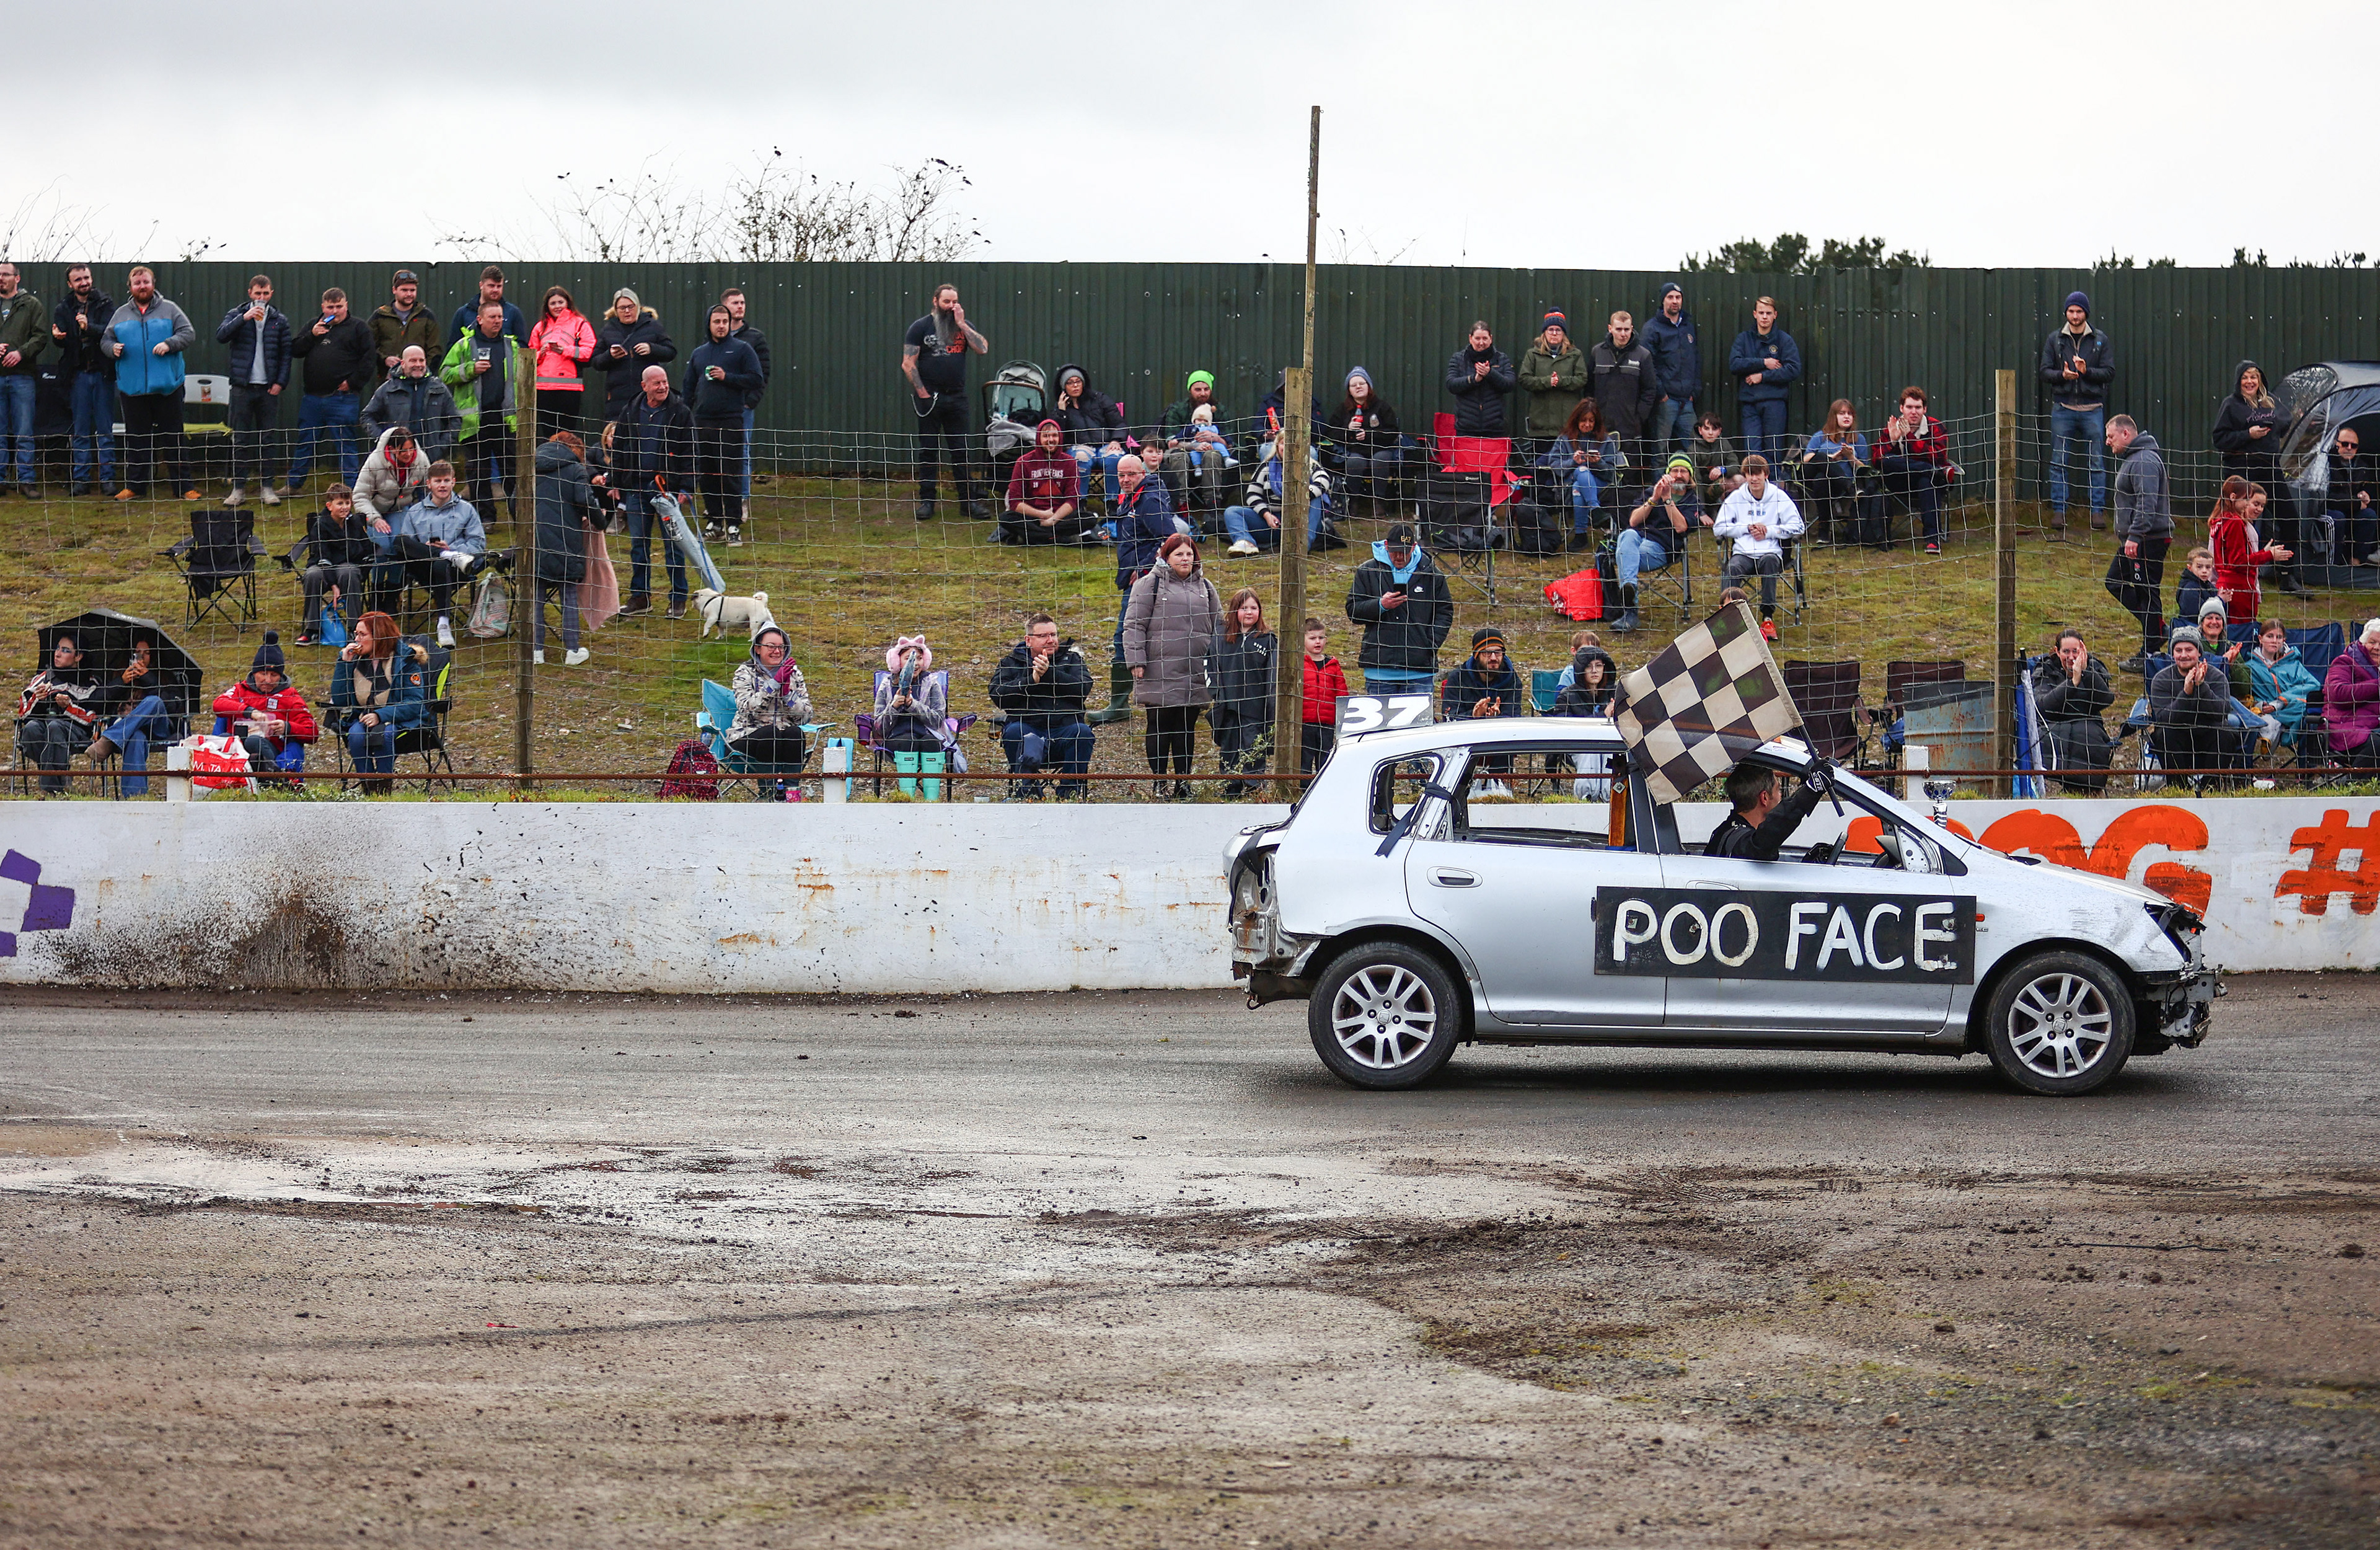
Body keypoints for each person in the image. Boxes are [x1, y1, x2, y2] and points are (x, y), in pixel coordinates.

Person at [1123, 534, 1223, 799]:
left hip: (1194, 669)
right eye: (1179, 554)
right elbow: (1134, 624)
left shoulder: (1206, 587)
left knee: (1186, 726)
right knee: (1159, 724)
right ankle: (1159, 782)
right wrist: (1136, 661)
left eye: (1189, 554)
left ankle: (1183, 782)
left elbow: (1219, 626)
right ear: (1166, 557)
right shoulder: (1148, 585)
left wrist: (1218, 663)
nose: (1185, 558)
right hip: (1157, 668)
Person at [381, 461, 504, 650]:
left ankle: (443, 624)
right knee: (399, 541)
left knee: (442, 565)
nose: (443, 485)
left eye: (447, 480)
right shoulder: (415, 512)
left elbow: (478, 544)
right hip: (423, 569)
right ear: (428, 484)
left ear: (454, 482)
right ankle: (446, 555)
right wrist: (436, 551)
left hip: (458, 569)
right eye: (438, 481)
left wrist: (453, 548)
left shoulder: (467, 509)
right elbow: (407, 547)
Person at [102, 265, 197, 501]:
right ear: (131, 287)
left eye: (146, 282)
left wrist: (169, 344)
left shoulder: (171, 309)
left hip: (168, 387)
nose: (142, 286)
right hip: (132, 389)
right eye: (137, 283)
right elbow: (106, 340)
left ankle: (184, 488)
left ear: (153, 284)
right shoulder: (121, 315)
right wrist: (112, 349)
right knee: (137, 441)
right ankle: (135, 488)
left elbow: (188, 333)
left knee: (174, 439)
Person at [612, 364, 697, 619]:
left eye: (665, 382)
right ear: (645, 386)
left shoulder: (680, 412)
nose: (663, 387)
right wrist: (617, 482)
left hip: (668, 491)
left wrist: (687, 486)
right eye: (657, 383)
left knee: (674, 546)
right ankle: (640, 597)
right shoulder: (630, 411)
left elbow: (690, 451)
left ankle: (678, 598)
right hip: (637, 489)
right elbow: (620, 448)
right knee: (639, 546)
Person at [902, 281, 988, 521]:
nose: (951, 306)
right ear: (936, 302)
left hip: (957, 398)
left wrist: (962, 323)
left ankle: (968, 503)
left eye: (954, 302)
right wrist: (923, 393)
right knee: (929, 452)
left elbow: (982, 349)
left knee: (961, 452)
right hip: (929, 398)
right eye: (946, 302)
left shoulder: (964, 326)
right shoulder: (920, 327)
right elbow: (908, 363)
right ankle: (927, 502)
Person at [682, 304, 764, 545]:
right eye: (716, 321)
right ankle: (715, 522)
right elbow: (688, 388)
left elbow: (756, 379)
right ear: (709, 324)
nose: (721, 326)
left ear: (730, 324)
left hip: (730, 420)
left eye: (725, 322)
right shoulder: (699, 353)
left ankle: (733, 525)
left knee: (730, 473)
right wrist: (685, 416)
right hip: (703, 421)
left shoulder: (742, 350)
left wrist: (727, 377)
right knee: (707, 473)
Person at [990, 614, 1096, 799]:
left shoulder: (1072, 660)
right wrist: (1030, 681)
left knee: (1083, 732)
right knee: (1015, 732)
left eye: (1053, 635)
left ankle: (1067, 796)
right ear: (1028, 640)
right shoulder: (1011, 663)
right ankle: (1030, 795)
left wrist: (1049, 674)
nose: (1051, 640)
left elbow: (1083, 689)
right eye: (1043, 636)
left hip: (1064, 733)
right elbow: (998, 695)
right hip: (1028, 733)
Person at [211, 273, 291, 509]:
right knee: (240, 440)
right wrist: (244, 319)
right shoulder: (237, 314)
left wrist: (280, 382)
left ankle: (267, 488)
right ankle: (238, 489)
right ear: (250, 294)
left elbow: (286, 355)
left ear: (271, 294)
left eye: (266, 294)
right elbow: (221, 336)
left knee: (268, 439)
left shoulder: (279, 320)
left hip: (268, 389)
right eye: (258, 294)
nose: (262, 298)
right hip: (242, 387)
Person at [286, 288, 376, 493]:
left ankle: (353, 489)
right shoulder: (314, 325)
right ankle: (294, 485)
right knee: (305, 443)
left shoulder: (359, 328)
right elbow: (295, 350)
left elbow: (369, 359)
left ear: (346, 305)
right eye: (330, 307)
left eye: (339, 306)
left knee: (346, 444)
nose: (335, 311)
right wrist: (311, 335)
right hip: (312, 398)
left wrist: (353, 383)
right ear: (323, 307)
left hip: (342, 397)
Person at [1345, 522, 1452, 692]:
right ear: (1386, 546)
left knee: (1419, 721)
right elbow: (1353, 612)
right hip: (1379, 670)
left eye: (1404, 552)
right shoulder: (1367, 571)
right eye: (1394, 552)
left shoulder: (1433, 575)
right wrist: (1380, 605)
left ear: (1414, 547)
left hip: (1419, 671)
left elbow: (1445, 613)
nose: (1399, 557)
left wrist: (1429, 645)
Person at [328, 610, 428, 791]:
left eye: (363, 635)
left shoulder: (406, 661)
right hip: (362, 717)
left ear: (379, 636)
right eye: (356, 634)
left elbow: (414, 702)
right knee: (356, 735)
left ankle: (384, 788)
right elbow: (340, 700)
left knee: (385, 734)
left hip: (399, 721)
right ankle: (369, 787)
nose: (357, 639)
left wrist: (380, 715)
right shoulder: (354, 660)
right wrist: (343, 664)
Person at [2039, 291, 2113, 533]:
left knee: (2096, 463)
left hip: (2093, 409)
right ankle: (2059, 512)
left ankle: (2097, 512)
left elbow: (2109, 372)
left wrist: (2086, 372)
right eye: (2071, 311)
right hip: (2064, 408)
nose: (2074, 316)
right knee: (2058, 462)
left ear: (2086, 313)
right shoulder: (2055, 339)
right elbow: (2044, 372)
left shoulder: (2100, 340)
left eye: (2079, 311)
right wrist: (2063, 375)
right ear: (2066, 313)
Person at [440, 299, 521, 518]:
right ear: (480, 319)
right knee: (478, 474)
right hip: (475, 422)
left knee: (513, 473)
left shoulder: (511, 346)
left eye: (500, 317)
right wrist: (469, 369)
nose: (498, 321)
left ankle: (520, 518)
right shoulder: (465, 345)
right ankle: (485, 518)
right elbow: (445, 374)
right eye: (492, 317)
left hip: (505, 420)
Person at [2104, 415, 2173, 671]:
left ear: (2125, 434)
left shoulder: (2144, 460)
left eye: (2111, 436)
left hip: (2147, 539)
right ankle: (2156, 628)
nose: (2107, 442)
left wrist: (2135, 536)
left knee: (2147, 591)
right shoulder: (2135, 458)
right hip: (2138, 538)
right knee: (2115, 581)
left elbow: (2147, 502)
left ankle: (2151, 653)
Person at [1713, 454, 1804, 640]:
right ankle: (1727, 619)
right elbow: (1718, 528)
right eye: (1749, 474)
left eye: (1758, 474)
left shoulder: (1779, 496)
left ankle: (1767, 618)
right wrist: (1745, 528)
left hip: (1770, 551)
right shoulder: (1736, 497)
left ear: (1766, 475)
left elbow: (1798, 527)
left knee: (1770, 562)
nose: (1754, 479)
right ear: (1745, 476)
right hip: (1743, 553)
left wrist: (1769, 531)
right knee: (1732, 567)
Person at [1610, 456, 1703, 633]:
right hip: (1635, 541)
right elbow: (1633, 521)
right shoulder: (1651, 492)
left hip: (1661, 549)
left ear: (1690, 477)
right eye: (1674, 471)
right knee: (1627, 535)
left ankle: (1629, 610)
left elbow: (1681, 527)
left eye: (1683, 471)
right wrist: (1654, 498)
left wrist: (1668, 499)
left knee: (1624, 552)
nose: (1678, 475)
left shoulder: (1693, 501)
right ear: (1667, 474)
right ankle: (1629, 592)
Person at [211, 632, 318, 785]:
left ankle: (274, 780)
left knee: (254, 741)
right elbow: (218, 704)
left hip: (273, 751)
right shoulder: (240, 689)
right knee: (224, 738)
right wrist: (250, 712)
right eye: (263, 673)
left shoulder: (290, 696)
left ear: (281, 676)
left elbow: (313, 732)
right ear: (254, 673)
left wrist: (287, 727)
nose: (268, 680)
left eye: (274, 675)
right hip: (236, 748)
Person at [530, 431, 598, 666]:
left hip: (534, 540)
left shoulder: (530, 465)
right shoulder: (575, 469)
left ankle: (536, 651)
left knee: (536, 596)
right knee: (568, 594)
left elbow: (513, 500)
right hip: (566, 540)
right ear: (575, 450)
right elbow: (586, 500)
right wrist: (600, 522)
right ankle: (572, 650)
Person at [51, 265, 117, 495]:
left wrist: (89, 327)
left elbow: (111, 331)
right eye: (78, 279)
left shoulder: (105, 304)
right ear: (70, 284)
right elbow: (62, 342)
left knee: (105, 430)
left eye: (86, 277)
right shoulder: (64, 307)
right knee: (80, 431)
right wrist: (57, 337)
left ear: (92, 279)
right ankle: (81, 480)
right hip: (77, 375)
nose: (83, 282)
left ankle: (108, 479)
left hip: (103, 373)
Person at [1112, 452, 1184, 658]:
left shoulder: (1149, 500)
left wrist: (1142, 569)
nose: (1125, 480)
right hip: (1134, 577)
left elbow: (1170, 539)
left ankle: (1123, 688)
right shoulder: (1130, 497)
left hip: (1145, 581)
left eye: (1131, 475)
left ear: (1143, 474)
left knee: (1124, 638)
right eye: (1121, 476)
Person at [728, 626, 813, 801]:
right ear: (758, 649)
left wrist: (786, 694)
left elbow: (806, 716)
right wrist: (773, 685)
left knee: (795, 733)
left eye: (781, 647)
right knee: (770, 733)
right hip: (747, 736)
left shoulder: (794, 673)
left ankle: (791, 793)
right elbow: (747, 710)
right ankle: (768, 794)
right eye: (771, 646)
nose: (777, 651)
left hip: (785, 737)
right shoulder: (745, 672)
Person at [2151, 625, 2247, 780]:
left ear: (2199, 653)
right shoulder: (2161, 679)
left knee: (2226, 734)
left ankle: (2210, 786)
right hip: (2177, 738)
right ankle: (2178, 788)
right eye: (2178, 651)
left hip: (2209, 735)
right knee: (2164, 733)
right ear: (2173, 654)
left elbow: (2222, 711)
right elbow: (2163, 718)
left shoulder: (2217, 676)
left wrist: (2201, 687)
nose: (2184, 655)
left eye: (2189, 650)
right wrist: (2187, 693)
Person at [81, 638, 172, 798]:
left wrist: (148, 678)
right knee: (136, 737)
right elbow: (96, 702)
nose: (141, 658)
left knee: (154, 701)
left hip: (156, 727)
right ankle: (135, 798)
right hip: (129, 733)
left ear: (154, 656)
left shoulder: (165, 675)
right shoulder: (119, 674)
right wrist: (121, 682)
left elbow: (173, 706)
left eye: (147, 653)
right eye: (137, 653)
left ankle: (108, 739)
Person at [15, 633, 104, 795]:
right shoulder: (43, 678)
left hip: (77, 732)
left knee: (55, 727)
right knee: (31, 729)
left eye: (65, 650)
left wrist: (68, 706)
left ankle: (50, 790)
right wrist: (38, 699)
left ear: (78, 656)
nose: (57, 654)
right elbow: (22, 713)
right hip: (45, 727)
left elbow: (92, 718)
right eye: (57, 648)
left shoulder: (91, 683)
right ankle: (60, 779)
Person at [1209, 589, 1277, 798]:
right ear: (1234, 610)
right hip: (1227, 707)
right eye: (1244, 608)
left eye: (1254, 608)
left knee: (1253, 749)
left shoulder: (1268, 640)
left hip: (1255, 710)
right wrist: (1217, 694)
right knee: (1229, 748)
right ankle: (1230, 788)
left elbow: (1273, 678)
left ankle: (1254, 788)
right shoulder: (1221, 636)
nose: (1249, 612)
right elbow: (1210, 665)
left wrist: (1270, 706)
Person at [2030, 630, 2114, 790]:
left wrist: (2086, 673)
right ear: (2057, 651)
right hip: (2052, 725)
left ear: (2083, 650)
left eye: (2075, 651)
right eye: (2065, 652)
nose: (2071, 657)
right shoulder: (2045, 669)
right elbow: (2041, 706)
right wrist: (2072, 683)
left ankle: (2087, 789)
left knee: (2088, 736)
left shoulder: (2094, 667)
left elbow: (2106, 699)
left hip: (2089, 726)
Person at [293, 483, 373, 648]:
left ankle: (354, 629)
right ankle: (312, 630)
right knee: (312, 575)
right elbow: (323, 556)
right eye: (340, 503)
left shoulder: (355, 523)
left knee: (348, 571)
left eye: (348, 503)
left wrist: (366, 564)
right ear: (329, 506)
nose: (345, 507)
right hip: (323, 567)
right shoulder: (320, 525)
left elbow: (367, 548)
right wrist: (333, 585)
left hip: (347, 566)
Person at [1705, 758, 1830, 861]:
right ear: (1764, 798)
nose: (1781, 796)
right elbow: (1768, 836)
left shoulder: (1726, 830)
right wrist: (1811, 791)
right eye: (1778, 790)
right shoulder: (1740, 842)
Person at [1874, 385, 1950, 554]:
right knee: (1888, 462)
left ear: (1925, 409)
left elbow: (1938, 457)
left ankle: (1933, 540)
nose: (1913, 412)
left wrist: (1909, 437)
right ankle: (1926, 470)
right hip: (1900, 481)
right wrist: (1892, 442)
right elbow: (1876, 460)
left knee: (1927, 481)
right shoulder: (1893, 426)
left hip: (1926, 483)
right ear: (1902, 408)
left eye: (1918, 407)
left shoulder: (1936, 427)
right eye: (1909, 407)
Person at [1727, 296, 1800, 468]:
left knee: (1774, 452)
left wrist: (1763, 376)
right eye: (1761, 313)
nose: (1765, 317)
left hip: (1775, 404)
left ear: (1775, 315)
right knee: (1753, 453)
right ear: (1755, 314)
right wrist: (1763, 363)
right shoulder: (1744, 339)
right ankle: (1754, 492)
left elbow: (1793, 369)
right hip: (1750, 405)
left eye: (1768, 313)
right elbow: (1735, 364)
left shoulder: (1784, 340)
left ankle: (1772, 492)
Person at [1590, 310, 1660, 488]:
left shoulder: (1643, 355)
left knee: (1628, 477)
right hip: (1601, 426)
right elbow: (1589, 388)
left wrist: (1638, 418)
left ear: (1632, 329)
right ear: (1610, 329)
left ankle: (1627, 515)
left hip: (1630, 428)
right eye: (1619, 329)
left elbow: (1650, 390)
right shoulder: (1597, 352)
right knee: (1600, 471)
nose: (1623, 334)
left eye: (1627, 330)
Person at [1542, 397, 1622, 552]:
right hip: (1569, 485)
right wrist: (1573, 461)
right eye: (1584, 420)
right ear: (1576, 420)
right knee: (1580, 476)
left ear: (1596, 422)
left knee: (1581, 479)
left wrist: (1598, 462)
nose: (1587, 425)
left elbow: (1611, 473)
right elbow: (1554, 466)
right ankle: (1595, 510)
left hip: (1600, 485)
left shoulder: (1605, 440)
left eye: (1591, 421)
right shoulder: (1564, 439)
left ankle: (1581, 536)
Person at [2210, 475, 2292, 625]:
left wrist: (2262, 554)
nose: (2248, 504)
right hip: (2239, 588)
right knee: (2242, 631)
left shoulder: (2220, 520)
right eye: (2246, 499)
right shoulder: (2235, 522)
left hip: (2226, 584)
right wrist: (2268, 555)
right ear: (2234, 497)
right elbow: (2238, 561)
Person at [360, 345, 461, 462]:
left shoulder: (439, 388)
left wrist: (440, 446)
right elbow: (367, 417)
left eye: (421, 360)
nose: (418, 365)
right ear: (403, 363)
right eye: (413, 361)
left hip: (431, 458)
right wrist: (385, 441)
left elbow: (455, 420)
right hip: (397, 460)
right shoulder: (388, 389)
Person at [595, 289, 676, 428]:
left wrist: (652, 349)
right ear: (616, 310)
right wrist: (610, 356)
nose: (627, 311)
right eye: (622, 308)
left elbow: (671, 352)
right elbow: (595, 361)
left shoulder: (653, 326)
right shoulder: (608, 330)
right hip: (617, 398)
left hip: (647, 395)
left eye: (631, 307)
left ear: (638, 307)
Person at [1002, 419, 1091, 546]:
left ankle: (1033, 537)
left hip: (1060, 516)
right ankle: (1057, 538)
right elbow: (1014, 502)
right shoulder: (1024, 462)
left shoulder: (1070, 462)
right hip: (1033, 517)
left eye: (1054, 435)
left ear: (1060, 438)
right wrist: (1042, 515)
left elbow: (1073, 500)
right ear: (1039, 439)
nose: (1051, 440)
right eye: (1046, 436)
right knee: (1007, 519)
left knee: (1089, 518)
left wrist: (1052, 520)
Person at [1326, 368, 1401, 514]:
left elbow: (1393, 432)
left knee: (1380, 461)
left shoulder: (1382, 407)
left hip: (1380, 448)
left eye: (1362, 383)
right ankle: (1353, 501)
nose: (1358, 387)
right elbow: (1330, 433)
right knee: (1355, 462)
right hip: (1355, 450)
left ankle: (1379, 501)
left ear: (1369, 386)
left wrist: (1369, 435)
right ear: (1349, 390)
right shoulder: (1343, 410)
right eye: (1354, 385)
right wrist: (1347, 430)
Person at [1050, 363, 1127, 506]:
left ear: (1083, 383)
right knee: (1081, 460)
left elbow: (1119, 424)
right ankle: (1080, 502)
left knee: (1115, 459)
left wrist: (1117, 440)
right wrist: (1061, 413)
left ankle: (1113, 502)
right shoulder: (1060, 407)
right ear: (1063, 387)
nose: (1075, 386)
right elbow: (1057, 435)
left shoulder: (1100, 399)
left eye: (1078, 382)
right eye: (1070, 383)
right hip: (1079, 447)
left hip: (1106, 445)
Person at [0, 263, 47, 498]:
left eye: (6, 274)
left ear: (17, 278)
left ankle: (26, 481)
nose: (1, 278)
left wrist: (21, 353)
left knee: (24, 432)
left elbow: (41, 337)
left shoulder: (31, 305)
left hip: (22, 377)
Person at [1796, 399, 1871, 547]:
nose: (1847, 417)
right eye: (1842, 413)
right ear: (1834, 416)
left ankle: (1824, 530)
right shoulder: (1821, 436)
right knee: (1820, 457)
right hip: (1810, 476)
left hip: (1834, 483)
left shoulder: (1858, 439)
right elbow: (1806, 459)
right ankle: (1851, 489)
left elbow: (1864, 468)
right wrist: (1832, 458)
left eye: (1850, 414)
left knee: (1822, 480)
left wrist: (1851, 457)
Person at [1160, 371, 1235, 519]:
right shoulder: (1178, 409)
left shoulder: (1219, 410)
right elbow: (1171, 441)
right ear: (1190, 391)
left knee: (1212, 455)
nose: (1203, 393)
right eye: (1198, 390)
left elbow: (1231, 442)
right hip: (1182, 450)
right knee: (1178, 457)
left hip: (1212, 449)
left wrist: (1216, 438)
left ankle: (1213, 503)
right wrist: (1193, 446)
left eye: (1206, 389)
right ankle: (1180, 504)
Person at [528, 285, 596, 439]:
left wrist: (565, 350)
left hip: (570, 388)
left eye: (561, 302)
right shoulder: (540, 327)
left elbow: (589, 352)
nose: (557, 306)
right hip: (544, 389)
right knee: (548, 435)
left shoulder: (580, 324)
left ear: (568, 303)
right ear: (547, 306)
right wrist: (541, 353)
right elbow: (530, 355)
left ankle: (567, 462)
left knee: (567, 436)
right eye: (553, 303)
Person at [722, 286, 770, 502]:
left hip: (743, 407)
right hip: (718, 407)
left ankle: (741, 499)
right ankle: (720, 499)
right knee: (719, 453)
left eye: (742, 303)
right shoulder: (715, 337)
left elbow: (763, 373)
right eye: (735, 303)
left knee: (742, 453)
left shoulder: (755, 338)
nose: (740, 306)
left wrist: (751, 402)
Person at [1516, 311, 1587, 456]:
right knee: (1542, 467)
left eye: (1558, 330)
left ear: (1564, 334)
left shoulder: (1575, 355)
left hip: (1567, 423)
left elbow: (1582, 379)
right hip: (1541, 425)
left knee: (1566, 466)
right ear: (1545, 333)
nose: (1554, 334)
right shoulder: (1533, 354)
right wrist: (1547, 382)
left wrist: (1561, 381)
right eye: (1551, 330)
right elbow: (1524, 379)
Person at [1642, 282, 1701, 452]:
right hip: (1666, 401)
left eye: (1678, 297)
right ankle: (1659, 479)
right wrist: (1661, 393)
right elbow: (1648, 364)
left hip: (1687, 401)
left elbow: (1696, 359)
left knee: (1696, 449)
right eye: (1670, 297)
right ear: (1663, 301)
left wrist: (1694, 391)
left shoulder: (1688, 327)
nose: (1675, 301)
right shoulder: (1652, 328)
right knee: (1660, 449)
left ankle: (1695, 479)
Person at [2246, 619, 2319, 754]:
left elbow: (2313, 685)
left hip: (2292, 708)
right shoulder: (2250, 667)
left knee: (2306, 709)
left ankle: (2306, 772)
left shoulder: (2293, 664)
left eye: (2279, 637)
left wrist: (2281, 701)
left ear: (2284, 640)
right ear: (2260, 639)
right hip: (2264, 711)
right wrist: (2262, 705)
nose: (2275, 641)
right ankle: (2273, 726)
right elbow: (2246, 694)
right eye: (2270, 636)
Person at [353, 425, 435, 542]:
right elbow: (360, 496)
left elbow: (431, 487)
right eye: (403, 450)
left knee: (401, 542)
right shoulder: (374, 462)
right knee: (382, 547)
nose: (409, 454)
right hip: (374, 511)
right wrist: (374, 519)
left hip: (401, 509)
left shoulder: (421, 460)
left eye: (411, 449)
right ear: (392, 449)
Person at [874, 636, 951, 755]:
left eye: (919, 658)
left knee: (931, 743)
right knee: (908, 741)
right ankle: (907, 775)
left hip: (928, 734)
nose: (915, 663)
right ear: (897, 661)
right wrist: (893, 707)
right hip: (896, 737)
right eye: (909, 658)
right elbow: (879, 728)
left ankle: (930, 775)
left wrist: (912, 704)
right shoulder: (886, 685)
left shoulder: (931, 683)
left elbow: (938, 721)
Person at [367, 269, 441, 389]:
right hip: (387, 382)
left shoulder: (426, 316)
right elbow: (368, 346)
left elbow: (435, 350)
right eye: (404, 290)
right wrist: (384, 359)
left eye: (412, 290)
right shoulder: (380, 316)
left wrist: (425, 372)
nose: (409, 294)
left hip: (420, 382)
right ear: (394, 290)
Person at [2321, 619, 2380, 768]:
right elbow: (2338, 694)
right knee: (2378, 744)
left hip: (2374, 727)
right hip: (2346, 726)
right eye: (2372, 642)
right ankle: (2353, 786)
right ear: (2362, 643)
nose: (2377, 648)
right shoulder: (2345, 662)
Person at [1443, 321, 1515, 437]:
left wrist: (1490, 373)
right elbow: (1451, 384)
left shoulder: (1501, 359)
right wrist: (1474, 379)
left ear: (1491, 339)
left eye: (1485, 339)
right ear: (1470, 338)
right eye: (1477, 338)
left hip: (1495, 429)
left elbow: (1509, 384)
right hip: (1466, 429)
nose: (1481, 343)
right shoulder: (1458, 359)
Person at [1298, 617, 1350, 777]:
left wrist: (1342, 718)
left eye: (1321, 638)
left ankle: (1323, 789)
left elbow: (1342, 693)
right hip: (1304, 723)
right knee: (1304, 760)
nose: (1317, 642)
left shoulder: (1333, 665)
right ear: (1303, 639)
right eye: (1312, 638)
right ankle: (1303, 790)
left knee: (1325, 760)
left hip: (1327, 724)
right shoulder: (1299, 664)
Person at [2325, 427, 2374, 567]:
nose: (2349, 448)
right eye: (2345, 444)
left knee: (2369, 515)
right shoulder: (2326, 463)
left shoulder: (2362, 467)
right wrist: (2357, 503)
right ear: (2337, 444)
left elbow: (2363, 493)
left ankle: (2356, 563)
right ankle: (2332, 566)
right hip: (2328, 510)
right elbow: (2328, 499)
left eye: (2354, 446)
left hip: (2350, 510)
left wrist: (2364, 496)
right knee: (2338, 518)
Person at [448, 265, 527, 350]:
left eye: (499, 286)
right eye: (491, 286)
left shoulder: (513, 313)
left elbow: (522, 348)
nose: (496, 290)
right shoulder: (463, 313)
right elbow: (453, 349)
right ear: (481, 285)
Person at [1690, 412, 1741, 510]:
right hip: (1701, 491)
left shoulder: (1724, 444)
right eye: (1707, 429)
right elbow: (1696, 481)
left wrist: (1723, 470)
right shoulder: (1693, 449)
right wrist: (1701, 511)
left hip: (1720, 487)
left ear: (1720, 431)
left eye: (1714, 429)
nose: (1710, 433)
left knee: (1739, 479)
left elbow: (1736, 466)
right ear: (1700, 430)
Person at [2173, 546, 2219, 628]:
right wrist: (2221, 600)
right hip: (2191, 628)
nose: (2204, 571)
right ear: (2190, 568)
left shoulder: (2207, 585)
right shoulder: (2190, 588)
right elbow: (2199, 613)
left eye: (2208, 567)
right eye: (2199, 567)